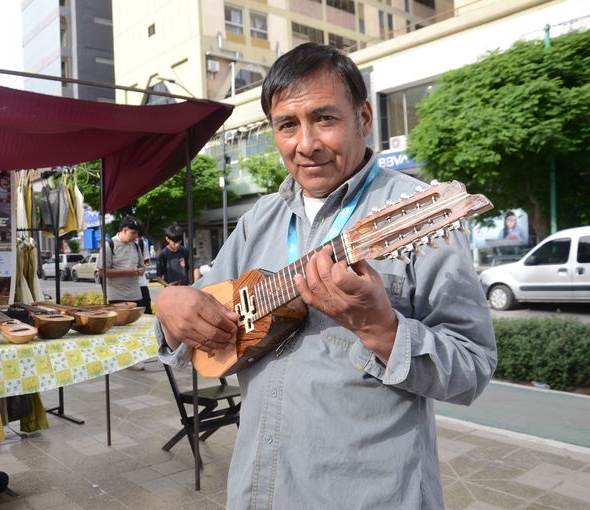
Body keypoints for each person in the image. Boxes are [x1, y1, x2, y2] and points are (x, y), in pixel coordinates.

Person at [154, 43, 496, 509]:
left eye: (326, 119)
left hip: (371, 495)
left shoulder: (419, 216)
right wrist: (170, 304)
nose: (306, 143)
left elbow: (473, 368)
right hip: (260, 489)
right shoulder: (261, 219)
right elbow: (196, 314)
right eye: (287, 125)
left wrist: (382, 329)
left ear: (365, 117)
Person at [97, 215, 145, 306]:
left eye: (137, 233)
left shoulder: (136, 245)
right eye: (133, 233)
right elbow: (101, 272)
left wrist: (141, 270)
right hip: (117, 296)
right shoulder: (109, 246)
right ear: (125, 230)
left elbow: (141, 266)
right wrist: (127, 272)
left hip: (136, 295)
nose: (136, 236)